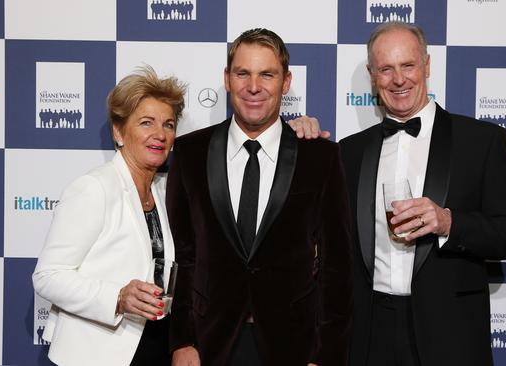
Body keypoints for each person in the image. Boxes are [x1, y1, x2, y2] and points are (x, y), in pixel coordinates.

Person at [337, 22, 506, 365]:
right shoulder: (350, 151)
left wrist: (448, 223)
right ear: (372, 75)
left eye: (408, 65)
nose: (399, 79)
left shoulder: (481, 141)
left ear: (427, 65)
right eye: (386, 69)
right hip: (370, 335)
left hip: (450, 335)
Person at [166, 28, 353, 366]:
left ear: (286, 81)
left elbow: (336, 268)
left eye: (267, 74)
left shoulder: (320, 158)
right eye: (243, 73)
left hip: (294, 346)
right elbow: (183, 257)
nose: (254, 86)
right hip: (209, 346)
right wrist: (182, 341)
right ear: (227, 79)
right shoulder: (189, 153)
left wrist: (326, 356)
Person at [32, 65, 185, 366]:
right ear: (119, 131)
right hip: (98, 352)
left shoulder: (166, 191)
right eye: (146, 123)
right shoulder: (94, 188)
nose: (159, 134)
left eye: (168, 124)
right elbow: (47, 276)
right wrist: (116, 297)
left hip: (154, 346)